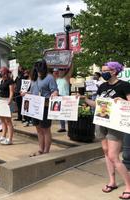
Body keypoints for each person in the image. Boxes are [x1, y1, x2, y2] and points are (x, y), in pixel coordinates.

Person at [84, 61, 130, 199]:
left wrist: (121, 101)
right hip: (101, 121)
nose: (103, 72)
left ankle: (129, 186)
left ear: (114, 71)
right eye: (102, 70)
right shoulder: (102, 86)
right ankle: (112, 181)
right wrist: (84, 99)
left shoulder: (124, 85)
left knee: (113, 156)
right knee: (106, 152)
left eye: (106, 70)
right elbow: (97, 104)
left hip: (115, 125)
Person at [29, 59, 58, 156]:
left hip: (45, 106)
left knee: (45, 129)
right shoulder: (34, 78)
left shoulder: (50, 78)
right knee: (38, 129)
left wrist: (54, 95)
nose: (39, 72)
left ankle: (46, 151)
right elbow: (32, 91)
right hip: (34, 106)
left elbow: (54, 90)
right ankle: (40, 149)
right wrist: (25, 94)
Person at [0, 66, 14, 145]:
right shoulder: (1, 81)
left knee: (8, 121)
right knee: (2, 120)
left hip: (6, 100)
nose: (1, 74)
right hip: (0, 100)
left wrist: (10, 100)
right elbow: (0, 91)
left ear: (5, 73)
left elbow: (11, 92)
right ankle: (3, 136)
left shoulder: (10, 81)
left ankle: (10, 139)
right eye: (0, 72)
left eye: (2, 72)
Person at [53, 66, 73, 132]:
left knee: (67, 113)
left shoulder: (66, 78)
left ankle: (71, 127)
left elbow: (71, 70)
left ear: (65, 71)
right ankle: (63, 127)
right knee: (60, 114)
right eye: (60, 70)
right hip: (58, 97)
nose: (61, 71)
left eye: (62, 70)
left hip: (65, 97)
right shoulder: (56, 78)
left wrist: (72, 60)